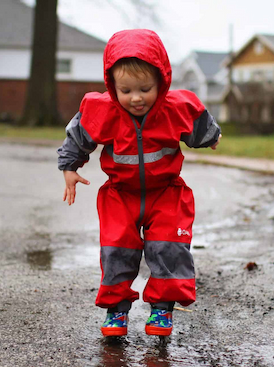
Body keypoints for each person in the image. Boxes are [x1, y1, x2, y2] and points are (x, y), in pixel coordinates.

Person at [57, 29, 221, 337]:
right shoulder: (103, 111)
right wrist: (69, 167)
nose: (136, 97)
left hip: (166, 194)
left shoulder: (174, 109)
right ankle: (116, 311)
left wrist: (211, 137)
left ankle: (162, 310)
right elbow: (78, 136)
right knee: (117, 250)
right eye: (126, 90)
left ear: (161, 82)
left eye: (145, 88)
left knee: (168, 248)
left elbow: (197, 122)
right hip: (121, 196)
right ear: (112, 86)